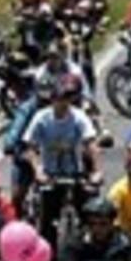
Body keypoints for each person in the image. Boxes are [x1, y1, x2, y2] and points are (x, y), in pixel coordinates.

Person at [24, 76, 102, 251]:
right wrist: (38, 170)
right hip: (50, 174)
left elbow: (91, 143)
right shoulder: (41, 118)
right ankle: (48, 254)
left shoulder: (78, 117)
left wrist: (96, 171)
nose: (62, 103)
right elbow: (30, 147)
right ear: (52, 99)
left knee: (88, 211)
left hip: (74, 172)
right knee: (47, 217)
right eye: (58, 98)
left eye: (66, 98)